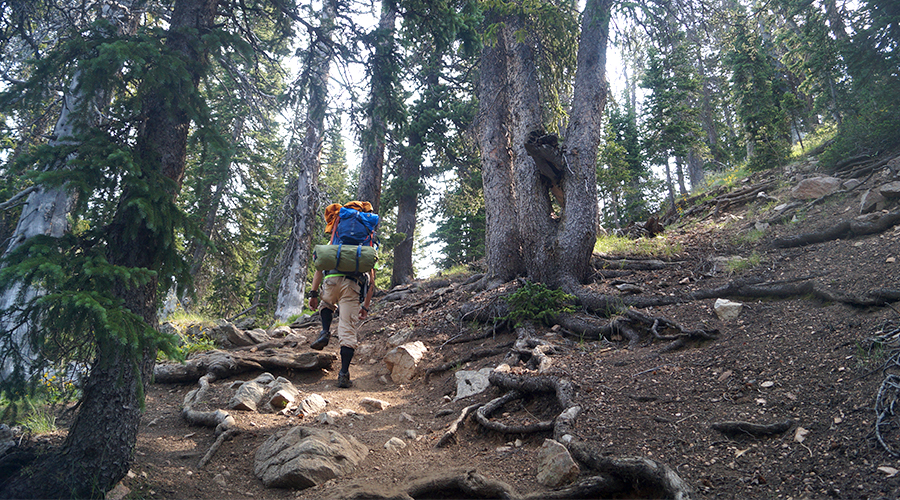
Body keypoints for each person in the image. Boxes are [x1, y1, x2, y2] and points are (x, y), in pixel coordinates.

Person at [307, 202, 377, 388]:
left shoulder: (336, 234)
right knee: (347, 330)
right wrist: (366, 306)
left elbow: (320, 265)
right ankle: (344, 373)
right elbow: (371, 278)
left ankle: (324, 331)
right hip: (353, 285)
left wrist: (313, 293)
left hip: (331, 279)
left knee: (326, 304)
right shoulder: (367, 239)